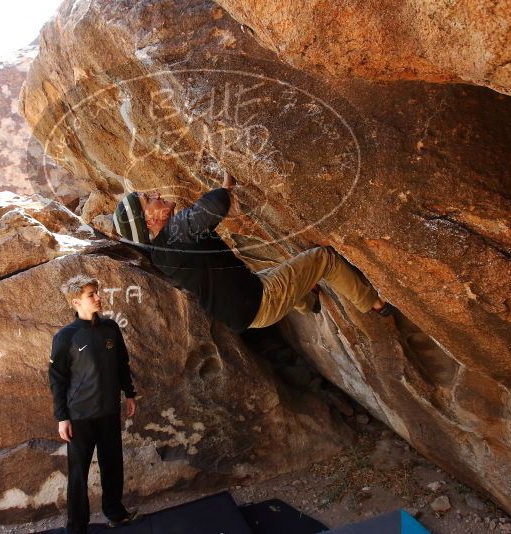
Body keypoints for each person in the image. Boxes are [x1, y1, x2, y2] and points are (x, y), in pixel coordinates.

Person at [112, 173, 392, 332]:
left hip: (244, 307)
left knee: (284, 270)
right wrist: (226, 186)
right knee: (324, 259)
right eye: (149, 200)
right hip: (260, 300)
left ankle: (309, 301)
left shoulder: (160, 254)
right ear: (149, 221)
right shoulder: (176, 233)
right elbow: (213, 208)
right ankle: (374, 303)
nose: (156, 193)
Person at [48, 275, 139, 534]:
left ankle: (115, 513)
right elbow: (57, 379)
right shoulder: (66, 337)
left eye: (97, 292)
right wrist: (62, 417)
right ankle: (77, 527)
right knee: (78, 475)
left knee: (113, 465)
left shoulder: (111, 328)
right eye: (91, 295)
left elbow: (122, 364)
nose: (98, 297)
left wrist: (129, 393)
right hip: (80, 417)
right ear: (77, 302)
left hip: (109, 411)